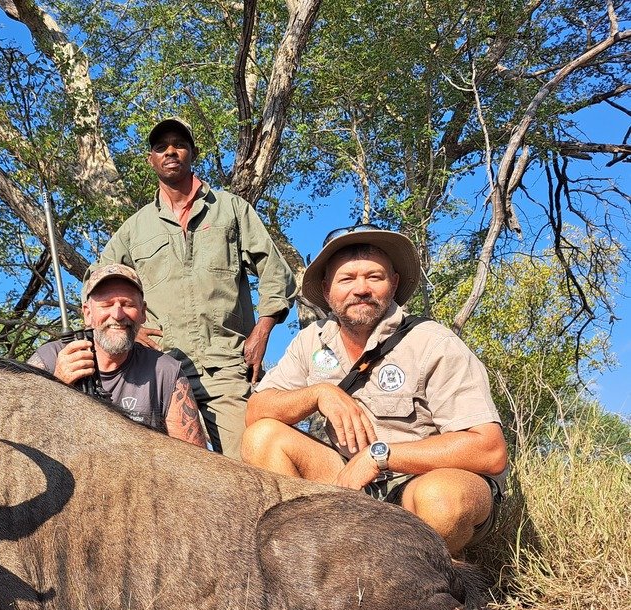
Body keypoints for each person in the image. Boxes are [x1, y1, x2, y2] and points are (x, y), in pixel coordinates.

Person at [240, 226, 507, 556]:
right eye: (347, 278)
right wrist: (319, 393)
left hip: (421, 482)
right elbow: (257, 411)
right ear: (327, 290)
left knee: (440, 500)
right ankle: (318, 567)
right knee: (261, 437)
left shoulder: (433, 342)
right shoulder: (311, 341)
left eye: (374, 277)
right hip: (347, 483)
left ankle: (433, 577)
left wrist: (380, 456)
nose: (361, 289)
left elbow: (490, 450)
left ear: (393, 283)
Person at [95, 116, 296, 458]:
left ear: (193, 152)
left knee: (249, 467)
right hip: (157, 370)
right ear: (151, 159)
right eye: (161, 147)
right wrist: (129, 331)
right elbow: (96, 281)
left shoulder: (231, 209)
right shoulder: (134, 229)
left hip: (226, 365)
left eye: (179, 144)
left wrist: (262, 330)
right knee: (164, 474)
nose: (170, 151)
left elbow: (275, 271)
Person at [28, 263, 207, 447]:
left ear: (143, 312)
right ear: (87, 314)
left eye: (127, 304)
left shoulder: (166, 371)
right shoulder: (49, 359)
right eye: (106, 305)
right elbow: (20, 433)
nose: (118, 314)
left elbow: (194, 458)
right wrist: (55, 387)